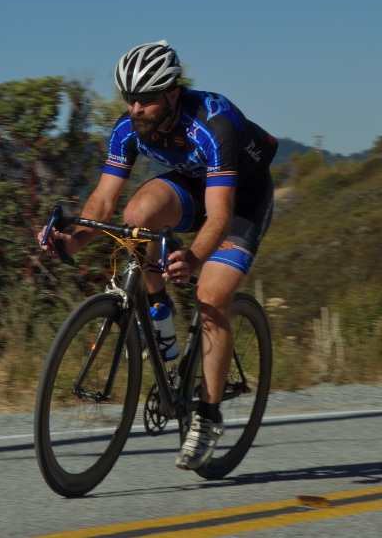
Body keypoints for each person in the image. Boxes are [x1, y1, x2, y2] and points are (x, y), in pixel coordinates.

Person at [38, 40, 277, 471]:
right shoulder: (128, 127)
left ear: (171, 93)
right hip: (193, 185)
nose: (135, 109)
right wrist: (74, 239)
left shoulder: (212, 123)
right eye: (129, 99)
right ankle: (158, 311)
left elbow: (220, 215)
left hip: (241, 199)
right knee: (137, 213)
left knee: (210, 296)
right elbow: (103, 201)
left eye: (145, 100)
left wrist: (197, 257)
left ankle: (207, 415)